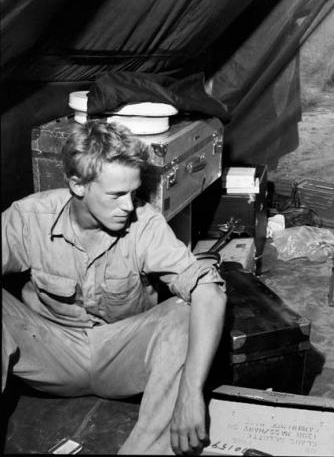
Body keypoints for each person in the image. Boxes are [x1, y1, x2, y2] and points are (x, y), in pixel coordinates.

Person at [2, 120, 227, 455]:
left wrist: (190, 393)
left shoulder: (144, 222)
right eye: (117, 194)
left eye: (134, 193)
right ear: (78, 185)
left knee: (187, 310)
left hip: (121, 356)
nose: (128, 206)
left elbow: (209, 291)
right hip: (51, 352)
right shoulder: (29, 217)